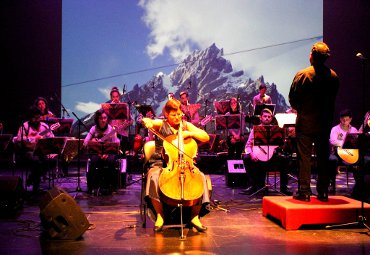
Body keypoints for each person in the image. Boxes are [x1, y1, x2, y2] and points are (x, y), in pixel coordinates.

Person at [142, 99, 210, 232]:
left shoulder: (186, 125)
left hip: (184, 163)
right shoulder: (161, 124)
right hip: (161, 162)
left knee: (201, 177)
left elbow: (205, 137)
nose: (177, 117)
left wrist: (190, 133)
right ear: (166, 114)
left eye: (179, 114)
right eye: (174, 115)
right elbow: (150, 122)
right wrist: (147, 121)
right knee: (153, 176)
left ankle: (194, 216)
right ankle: (160, 215)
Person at [289, 41, 339, 202]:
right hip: (324, 123)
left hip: (305, 123)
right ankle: (323, 192)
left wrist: (303, 109)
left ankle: (304, 192)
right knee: (323, 158)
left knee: (305, 157)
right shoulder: (333, 76)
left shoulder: (302, 75)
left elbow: (293, 100)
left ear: (312, 56)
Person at [241, 108, 291, 195]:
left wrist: (282, 144)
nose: (267, 118)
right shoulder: (255, 130)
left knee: (285, 159)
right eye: (265, 116)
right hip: (258, 158)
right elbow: (248, 146)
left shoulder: (277, 129)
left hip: (272, 158)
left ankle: (284, 188)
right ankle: (253, 186)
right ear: (261, 118)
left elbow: (282, 146)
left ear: (271, 118)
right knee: (246, 158)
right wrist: (252, 154)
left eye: (269, 117)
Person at [14, 106, 55, 193]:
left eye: (38, 117)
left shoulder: (44, 126)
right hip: (28, 152)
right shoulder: (24, 126)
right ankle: (35, 187)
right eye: (34, 118)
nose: (37, 119)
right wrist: (32, 138)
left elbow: (52, 138)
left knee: (51, 161)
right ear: (30, 118)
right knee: (36, 161)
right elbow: (18, 139)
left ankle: (31, 178)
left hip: (41, 152)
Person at [84, 109, 120, 194]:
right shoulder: (93, 129)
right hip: (96, 153)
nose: (103, 120)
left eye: (105, 118)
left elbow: (116, 143)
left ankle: (110, 186)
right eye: (101, 118)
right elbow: (85, 142)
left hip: (108, 153)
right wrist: (93, 141)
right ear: (97, 119)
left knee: (111, 161)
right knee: (93, 161)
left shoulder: (111, 129)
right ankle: (92, 186)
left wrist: (115, 135)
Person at [328, 109, 358, 193]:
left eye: (347, 119)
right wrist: (343, 142)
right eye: (343, 119)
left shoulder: (354, 130)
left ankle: (358, 185)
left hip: (350, 153)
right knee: (332, 160)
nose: (345, 121)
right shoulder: (335, 129)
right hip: (337, 153)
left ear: (350, 119)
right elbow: (333, 141)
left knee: (361, 159)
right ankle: (331, 183)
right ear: (340, 119)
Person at [109, 87, 133, 156]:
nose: (115, 99)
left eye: (117, 96)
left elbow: (131, 120)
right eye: (113, 97)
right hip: (111, 134)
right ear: (111, 98)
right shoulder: (108, 108)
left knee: (122, 155)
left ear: (119, 97)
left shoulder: (124, 107)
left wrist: (125, 124)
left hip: (122, 133)